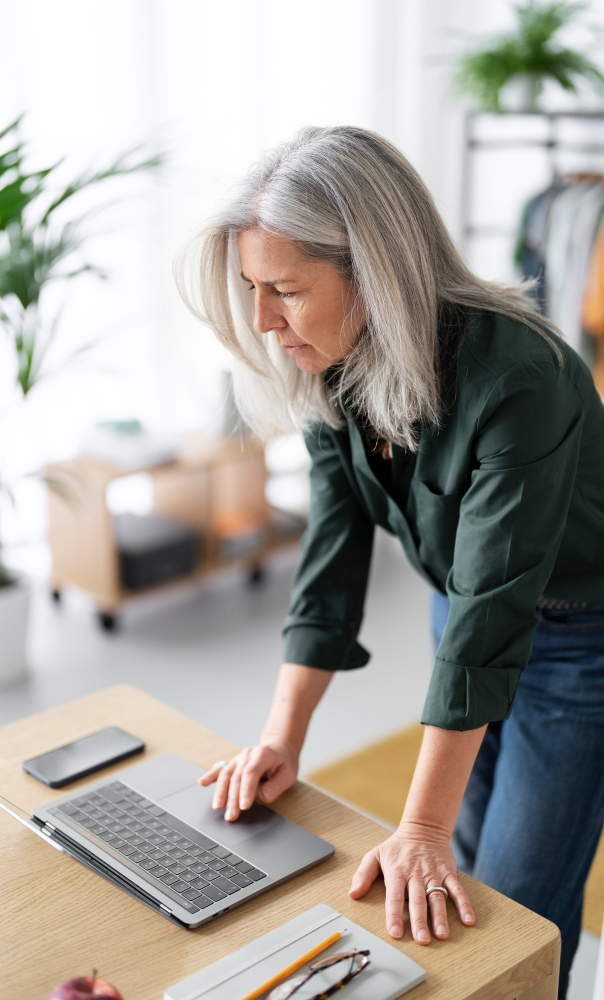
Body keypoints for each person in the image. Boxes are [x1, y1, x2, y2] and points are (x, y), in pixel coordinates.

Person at [174, 126, 604, 999]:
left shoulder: (523, 376)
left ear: (373, 273)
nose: (262, 320)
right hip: (464, 612)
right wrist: (279, 741)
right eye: (253, 289)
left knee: (518, 905)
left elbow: (497, 606)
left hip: (580, 634)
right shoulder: (332, 362)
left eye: (285, 290)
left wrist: (417, 826)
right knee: (459, 872)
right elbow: (331, 557)